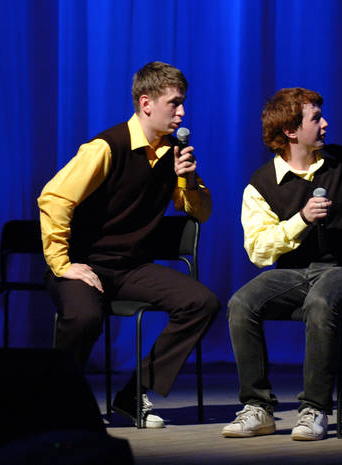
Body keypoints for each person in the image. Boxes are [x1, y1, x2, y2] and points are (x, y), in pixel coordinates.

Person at [38, 61, 219, 428]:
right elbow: (54, 198)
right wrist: (62, 264)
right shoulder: (106, 147)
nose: (182, 112)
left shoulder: (173, 153)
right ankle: (57, 403)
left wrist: (188, 180)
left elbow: (199, 213)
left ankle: (133, 395)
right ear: (146, 103)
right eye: (174, 103)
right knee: (85, 317)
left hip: (131, 267)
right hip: (85, 264)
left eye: (183, 103)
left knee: (201, 303)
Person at [222, 87, 342, 441]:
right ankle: (258, 407)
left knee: (321, 302)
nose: (326, 124)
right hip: (293, 274)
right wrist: (301, 220)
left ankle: (314, 409)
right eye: (316, 118)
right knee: (242, 303)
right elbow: (258, 250)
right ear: (291, 131)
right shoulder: (261, 185)